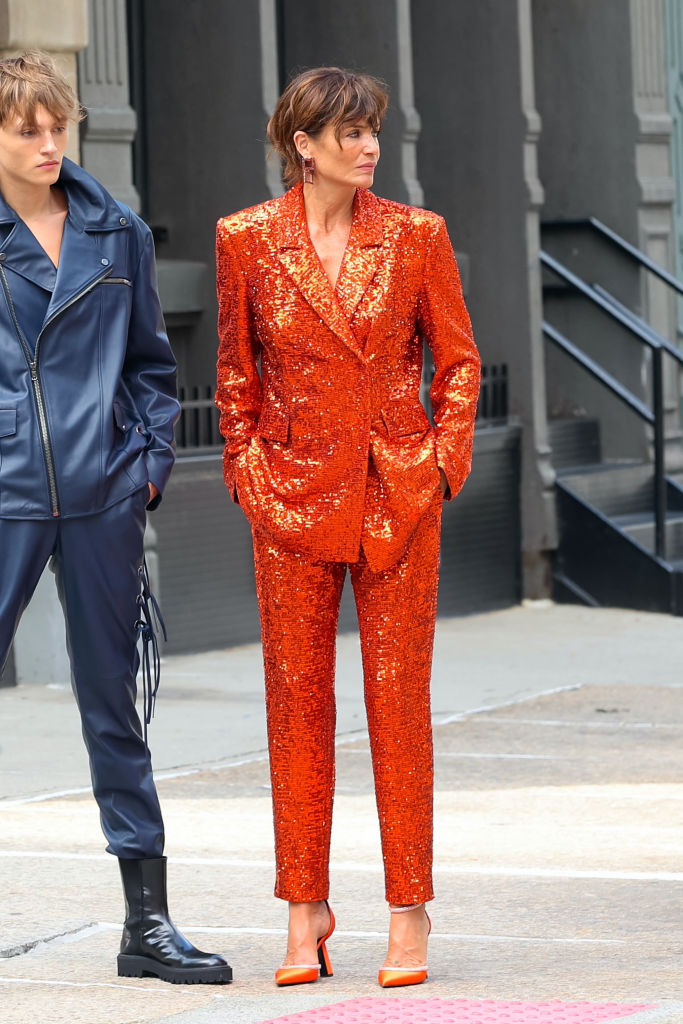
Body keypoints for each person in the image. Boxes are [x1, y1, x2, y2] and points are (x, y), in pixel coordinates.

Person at [216, 66, 480, 988]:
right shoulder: (245, 239)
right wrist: (246, 468)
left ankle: (408, 912)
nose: (367, 147)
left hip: (397, 494)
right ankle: (303, 909)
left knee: (397, 704)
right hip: (287, 499)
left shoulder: (417, 237)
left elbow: (457, 362)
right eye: (349, 134)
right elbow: (235, 374)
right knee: (296, 705)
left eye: (372, 132)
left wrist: (441, 462)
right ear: (303, 143)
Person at [0, 51, 231, 985]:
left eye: (61, 125)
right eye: (28, 129)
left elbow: (149, 368)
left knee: (114, 707)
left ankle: (147, 925)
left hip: (100, 494)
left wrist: (145, 463)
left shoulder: (114, 230)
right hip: (7, 492)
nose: (51, 143)